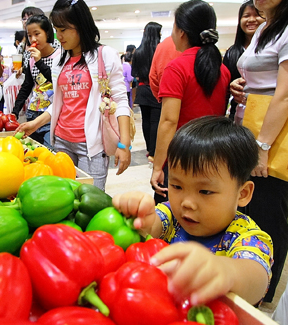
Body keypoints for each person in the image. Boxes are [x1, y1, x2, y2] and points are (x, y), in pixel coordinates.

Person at [113, 116, 273, 306]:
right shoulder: (173, 214)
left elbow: (256, 279)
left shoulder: (246, 236)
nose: (187, 203)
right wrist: (141, 215)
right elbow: (153, 225)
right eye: (177, 186)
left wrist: (226, 271)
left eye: (205, 191)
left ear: (243, 193)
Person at [15, 0, 132, 191]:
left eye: (63, 30)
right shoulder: (61, 60)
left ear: (80, 25)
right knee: (65, 198)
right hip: (61, 141)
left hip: (91, 146)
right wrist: (35, 124)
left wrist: (124, 144)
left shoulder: (105, 55)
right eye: (56, 30)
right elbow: (60, 103)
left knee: (89, 197)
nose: (58, 36)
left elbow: (120, 100)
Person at [230, 0, 288, 304]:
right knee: (249, 205)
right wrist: (242, 85)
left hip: (272, 135)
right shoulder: (267, 27)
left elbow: (285, 94)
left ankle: (263, 289)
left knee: (269, 211)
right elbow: (262, 78)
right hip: (250, 126)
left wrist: (263, 146)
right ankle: (251, 272)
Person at [151, 0, 231, 204]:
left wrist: (158, 167)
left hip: (182, 157)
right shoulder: (222, 70)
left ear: (182, 32)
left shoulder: (176, 68)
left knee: (172, 216)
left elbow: (169, 121)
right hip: (213, 155)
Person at [11, 15, 59, 147]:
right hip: (33, 113)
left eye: (37, 34)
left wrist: (39, 62)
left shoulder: (59, 56)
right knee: (33, 151)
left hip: (51, 115)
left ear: (48, 33)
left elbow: (56, 81)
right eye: (29, 35)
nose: (33, 39)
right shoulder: (31, 59)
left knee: (49, 152)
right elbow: (27, 86)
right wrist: (15, 111)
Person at [223, 0, 264, 123]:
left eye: (257, 15)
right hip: (237, 113)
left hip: (264, 112)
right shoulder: (232, 52)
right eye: (246, 16)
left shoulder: (270, 48)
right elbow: (224, 87)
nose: (251, 20)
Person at [131, 21, 162, 164]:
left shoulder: (138, 51)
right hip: (157, 88)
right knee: (156, 121)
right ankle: (155, 151)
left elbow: (134, 73)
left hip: (143, 88)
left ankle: (149, 149)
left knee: (146, 121)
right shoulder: (160, 50)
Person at [149, 36, 181, 100]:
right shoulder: (200, 42)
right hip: (196, 98)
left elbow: (153, 77)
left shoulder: (162, 45)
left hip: (166, 95)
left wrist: (160, 96)